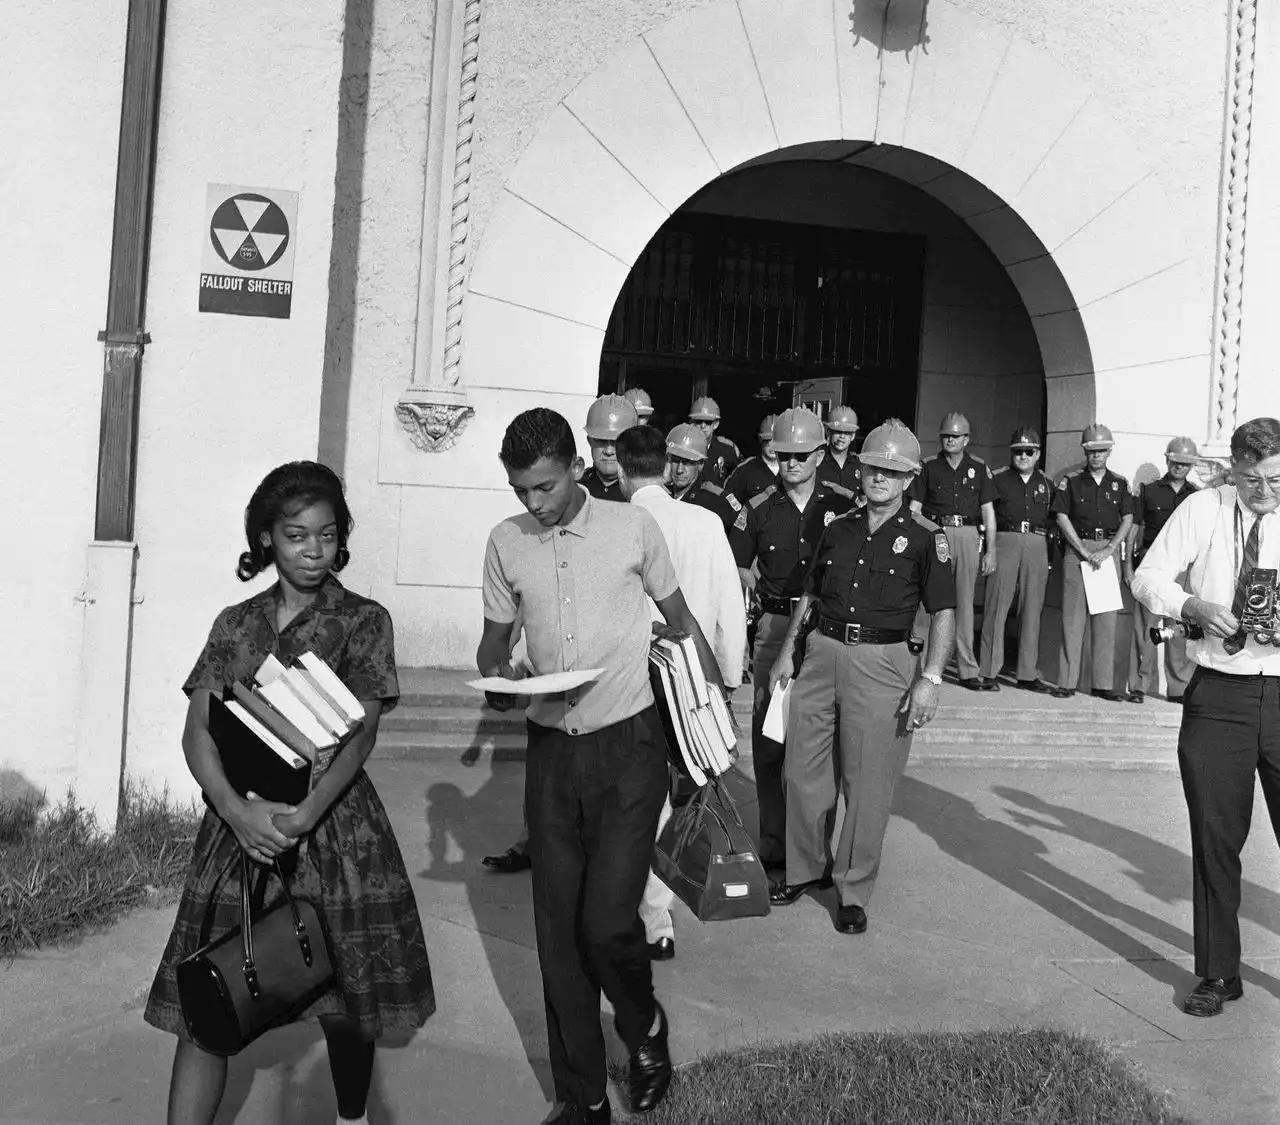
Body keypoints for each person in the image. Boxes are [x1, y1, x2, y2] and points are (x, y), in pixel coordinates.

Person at [144, 462, 434, 1125]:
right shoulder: (235, 624)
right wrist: (236, 811)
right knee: (209, 1002)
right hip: (239, 832)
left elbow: (359, 734)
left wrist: (304, 813)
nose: (313, 550)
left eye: (327, 536)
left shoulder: (363, 620)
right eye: (297, 535)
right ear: (266, 537)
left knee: (343, 998)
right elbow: (198, 732)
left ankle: (351, 1118)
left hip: (335, 829)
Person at [477, 408, 726, 1123]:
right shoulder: (505, 543)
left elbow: (681, 624)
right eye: (521, 490)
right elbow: (493, 645)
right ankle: (582, 1098)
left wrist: (710, 739)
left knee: (610, 920)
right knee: (559, 936)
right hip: (552, 753)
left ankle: (644, 1027)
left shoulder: (632, 528)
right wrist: (498, 676)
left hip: (630, 744)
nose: (533, 503)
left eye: (545, 487)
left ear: (579, 467)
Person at [766, 420, 956, 934]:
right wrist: (788, 653)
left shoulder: (926, 539)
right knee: (802, 770)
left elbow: (943, 613)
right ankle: (807, 869)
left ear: (908, 479)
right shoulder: (838, 526)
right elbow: (809, 594)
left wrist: (931, 679)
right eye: (874, 468)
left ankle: (852, 889)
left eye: (892, 472)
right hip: (822, 652)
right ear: (861, 469)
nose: (880, 478)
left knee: (868, 784)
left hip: (884, 663)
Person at [1131, 417, 1280, 1017]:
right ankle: (1219, 974)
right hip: (1221, 693)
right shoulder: (1202, 509)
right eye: (1252, 479)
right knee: (1216, 840)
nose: (1265, 490)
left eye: (1275, 478)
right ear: (1231, 471)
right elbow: (1146, 576)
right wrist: (1192, 603)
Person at [615, 425, 746, 962]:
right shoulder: (706, 522)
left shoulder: (616, 522)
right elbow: (728, 606)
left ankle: (634, 908)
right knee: (674, 794)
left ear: (621, 471)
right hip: (692, 676)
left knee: (630, 796)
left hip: (629, 676)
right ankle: (658, 915)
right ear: (667, 468)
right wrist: (727, 681)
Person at [729, 407, 857, 872]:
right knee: (769, 738)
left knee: (816, 743)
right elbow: (740, 565)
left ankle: (814, 847)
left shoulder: (843, 504)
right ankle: (773, 840)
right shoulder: (759, 507)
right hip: (775, 626)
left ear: (821, 454)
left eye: (801, 455)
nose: (791, 464)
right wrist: (749, 588)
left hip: (824, 630)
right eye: (784, 455)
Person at [907, 411, 997, 690]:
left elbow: (988, 512)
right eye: (946, 436)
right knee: (926, 602)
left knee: (965, 603)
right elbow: (915, 510)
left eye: (956, 436)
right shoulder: (929, 466)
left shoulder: (979, 467)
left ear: (967, 439)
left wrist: (990, 551)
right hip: (936, 534)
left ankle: (967, 670)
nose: (950, 440)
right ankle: (918, 666)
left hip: (969, 535)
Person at [1050, 423, 1136, 701]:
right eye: (1091, 451)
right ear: (1085, 452)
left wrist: (1110, 548)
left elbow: (1128, 519)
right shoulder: (1071, 481)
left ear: (1109, 451)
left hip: (1106, 550)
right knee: (1072, 620)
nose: (1096, 456)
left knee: (1105, 621)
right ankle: (1067, 682)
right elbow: (1062, 517)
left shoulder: (1119, 483)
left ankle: (1102, 684)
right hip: (1078, 550)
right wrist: (1083, 550)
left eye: (1101, 450)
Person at [978, 427, 1057, 693]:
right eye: (1018, 451)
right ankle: (988, 670)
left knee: (1032, 610)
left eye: (1029, 451)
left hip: (1036, 542)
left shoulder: (1047, 483)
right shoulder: (997, 478)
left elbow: (1054, 521)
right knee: (996, 606)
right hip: (1005, 539)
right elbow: (986, 516)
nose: (1023, 456)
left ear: (1037, 454)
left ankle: (1026, 673)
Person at [1124, 437, 1201, 703]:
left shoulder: (1198, 496)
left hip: (1183, 570)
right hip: (1151, 565)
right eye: (1176, 461)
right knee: (1144, 628)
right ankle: (1139, 685)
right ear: (1167, 460)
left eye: (1185, 463)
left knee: (1177, 629)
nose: (1179, 467)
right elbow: (1134, 530)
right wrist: (1127, 567)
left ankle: (1178, 687)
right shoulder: (1149, 491)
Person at [666, 423, 739, 531]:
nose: (679, 470)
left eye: (687, 462)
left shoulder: (718, 503)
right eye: (675, 461)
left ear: (701, 464)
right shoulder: (660, 494)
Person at [580, 394, 639, 500]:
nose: (608, 451)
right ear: (589, 441)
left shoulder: (642, 494)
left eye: (616, 443)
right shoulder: (576, 489)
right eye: (601, 441)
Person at [724, 413, 780, 503]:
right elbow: (728, 502)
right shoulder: (744, 471)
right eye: (768, 440)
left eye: (776, 440)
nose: (772, 446)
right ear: (760, 440)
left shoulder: (793, 469)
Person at [689, 395, 740, 485]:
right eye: (698, 421)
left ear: (715, 424)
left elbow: (734, 485)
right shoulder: (681, 447)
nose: (703, 426)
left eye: (708, 422)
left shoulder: (726, 451)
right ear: (692, 422)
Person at [816, 405, 861, 493]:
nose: (842, 437)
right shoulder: (817, 461)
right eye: (838, 431)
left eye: (847, 433)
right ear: (829, 433)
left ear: (853, 436)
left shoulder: (858, 464)